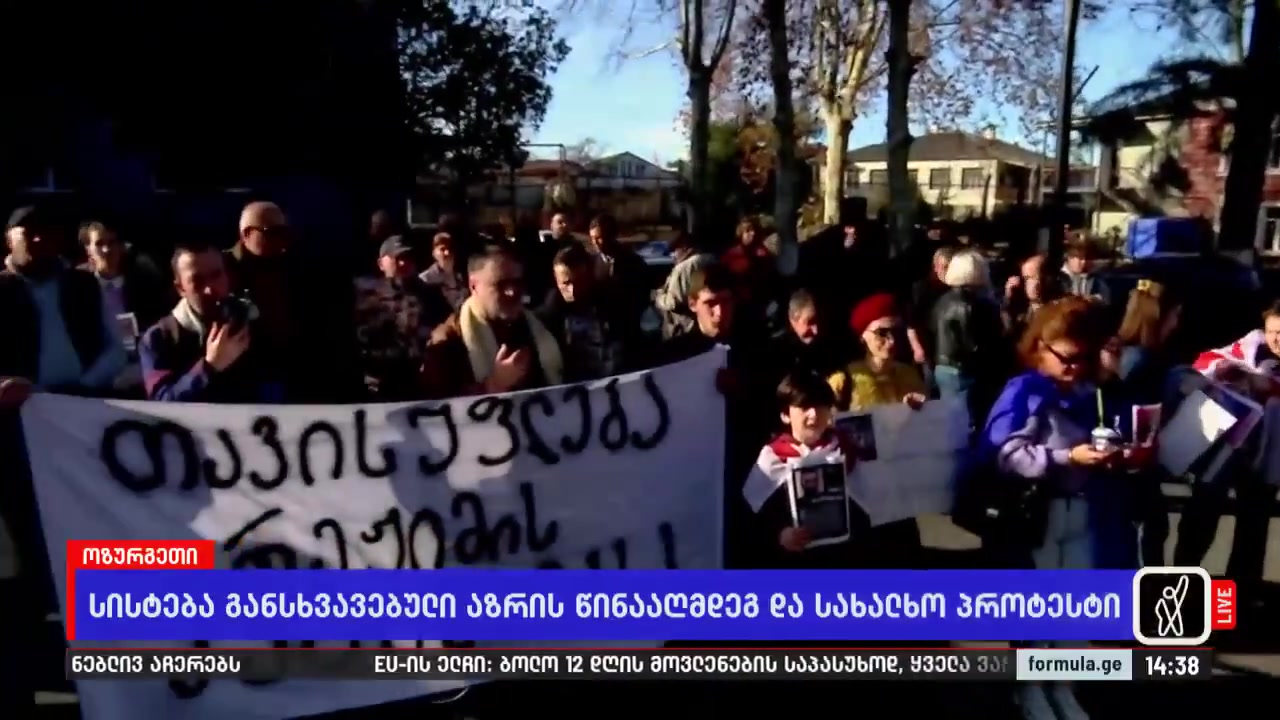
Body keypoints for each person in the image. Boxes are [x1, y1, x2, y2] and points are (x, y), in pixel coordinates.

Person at [980, 296, 1140, 720]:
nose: (1074, 366)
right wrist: (1067, 458)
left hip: (1085, 510)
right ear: (1039, 348)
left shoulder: (1091, 391)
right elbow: (1006, 453)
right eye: (1066, 358)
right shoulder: (1025, 391)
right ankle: (1030, 690)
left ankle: (1060, 686)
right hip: (1041, 514)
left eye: (1081, 357)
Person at [226, 201, 363, 403]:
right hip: (243, 376)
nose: (281, 241)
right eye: (271, 232)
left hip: (295, 375)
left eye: (284, 232)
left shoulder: (298, 268)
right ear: (246, 235)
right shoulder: (223, 271)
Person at [0, 205, 126, 396]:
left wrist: (86, 384)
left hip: (85, 401)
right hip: (22, 408)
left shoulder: (84, 285)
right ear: (9, 240)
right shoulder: (3, 290)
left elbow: (115, 348)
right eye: (29, 233)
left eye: (45, 232)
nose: (39, 239)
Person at [741, 371, 859, 568]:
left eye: (821, 405)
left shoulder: (847, 448)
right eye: (804, 407)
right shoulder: (773, 459)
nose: (814, 414)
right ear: (785, 414)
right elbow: (753, 518)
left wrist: (912, 410)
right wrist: (780, 534)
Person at [139, 242, 282, 403]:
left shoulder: (250, 324)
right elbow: (161, 402)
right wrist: (209, 367)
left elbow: (277, 391)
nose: (210, 289)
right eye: (197, 281)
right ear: (180, 288)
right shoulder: (159, 338)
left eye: (216, 275)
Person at [419, 246, 564, 399]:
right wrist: (493, 385)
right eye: (500, 284)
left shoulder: (542, 328)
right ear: (473, 286)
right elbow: (434, 408)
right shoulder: (449, 339)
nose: (512, 292)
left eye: (517, 283)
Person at [354, 236, 453, 401]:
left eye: (407, 258)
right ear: (381, 264)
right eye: (397, 258)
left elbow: (449, 324)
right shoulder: (367, 299)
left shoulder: (431, 294)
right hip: (379, 386)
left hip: (424, 384)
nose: (403, 264)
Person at [536, 243, 638, 382]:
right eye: (565, 284)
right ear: (556, 279)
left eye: (578, 282)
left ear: (590, 276)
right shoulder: (544, 321)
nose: (572, 291)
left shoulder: (616, 305)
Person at [932, 248, 1007, 421]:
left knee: (953, 421)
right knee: (969, 422)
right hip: (965, 372)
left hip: (944, 367)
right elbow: (973, 344)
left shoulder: (943, 299)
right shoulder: (971, 304)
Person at [829, 293, 928, 413]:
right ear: (863, 336)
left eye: (895, 331)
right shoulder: (844, 381)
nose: (891, 341)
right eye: (881, 333)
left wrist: (923, 408)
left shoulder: (909, 376)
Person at [770, 289, 844, 385]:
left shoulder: (828, 339)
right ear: (793, 319)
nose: (816, 330)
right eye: (810, 322)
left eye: (818, 321)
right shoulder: (777, 351)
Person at [587, 214, 650, 326]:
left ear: (611, 236)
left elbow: (643, 294)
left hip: (628, 325)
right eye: (592, 238)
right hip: (601, 326)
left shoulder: (633, 262)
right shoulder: (590, 262)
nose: (595, 242)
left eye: (599, 238)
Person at [906, 246, 955, 380]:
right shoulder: (921, 289)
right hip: (927, 347)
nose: (947, 272)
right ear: (935, 267)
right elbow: (911, 323)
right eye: (944, 267)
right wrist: (917, 348)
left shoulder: (953, 289)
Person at [721, 216, 780, 326]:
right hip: (740, 307)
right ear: (740, 234)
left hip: (761, 304)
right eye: (748, 231)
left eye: (754, 230)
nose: (752, 234)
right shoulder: (731, 256)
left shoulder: (763, 254)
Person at [1002, 253, 1058, 342]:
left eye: (1031, 278)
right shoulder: (1022, 310)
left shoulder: (1060, 309)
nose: (1027, 284)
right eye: (1025, 279)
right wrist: (1008, 300)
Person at [419, 231, 469, 310]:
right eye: (442, 249)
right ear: (434, 253)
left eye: (450, 249)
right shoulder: (425, 280)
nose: (447, 253)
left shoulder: (462, 279)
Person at [1059, 241, 1111, 305]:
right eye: (1080, 259)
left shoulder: (1091, 278)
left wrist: (1093, 298)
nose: (1084, 262)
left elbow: (1105, 298)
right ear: (1069, 258)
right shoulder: (1058, 279)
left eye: (1086, 259)